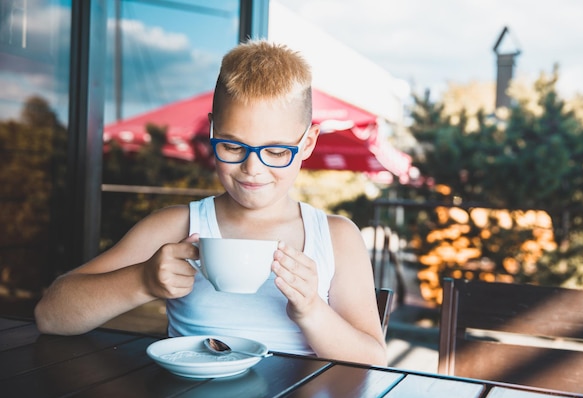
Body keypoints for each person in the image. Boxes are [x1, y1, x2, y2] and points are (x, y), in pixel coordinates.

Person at [35, 39, 387, 366]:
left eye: (277, 151)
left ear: (308, 143)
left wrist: (312, 310)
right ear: (212, 131)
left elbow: (374, 359)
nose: (253, 168)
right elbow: (50, 314)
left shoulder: (336, 238)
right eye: (233, 146)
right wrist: (142, 280)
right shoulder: (176, 228)